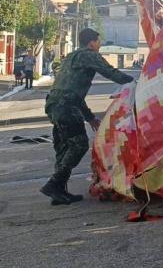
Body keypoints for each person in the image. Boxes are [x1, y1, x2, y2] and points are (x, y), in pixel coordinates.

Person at [40, 28, 134, 205]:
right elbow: (111, 72)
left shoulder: (73, 56)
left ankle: (58, 193)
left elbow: (73, 91)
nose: (99, 45)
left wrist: (89, 117)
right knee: (79, 144)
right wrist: (135, 81)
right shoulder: (89, 55)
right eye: (99, 41)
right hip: (66, 106)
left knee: (64, 147)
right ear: (92, 42)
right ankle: (54, 184)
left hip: (56, 104)